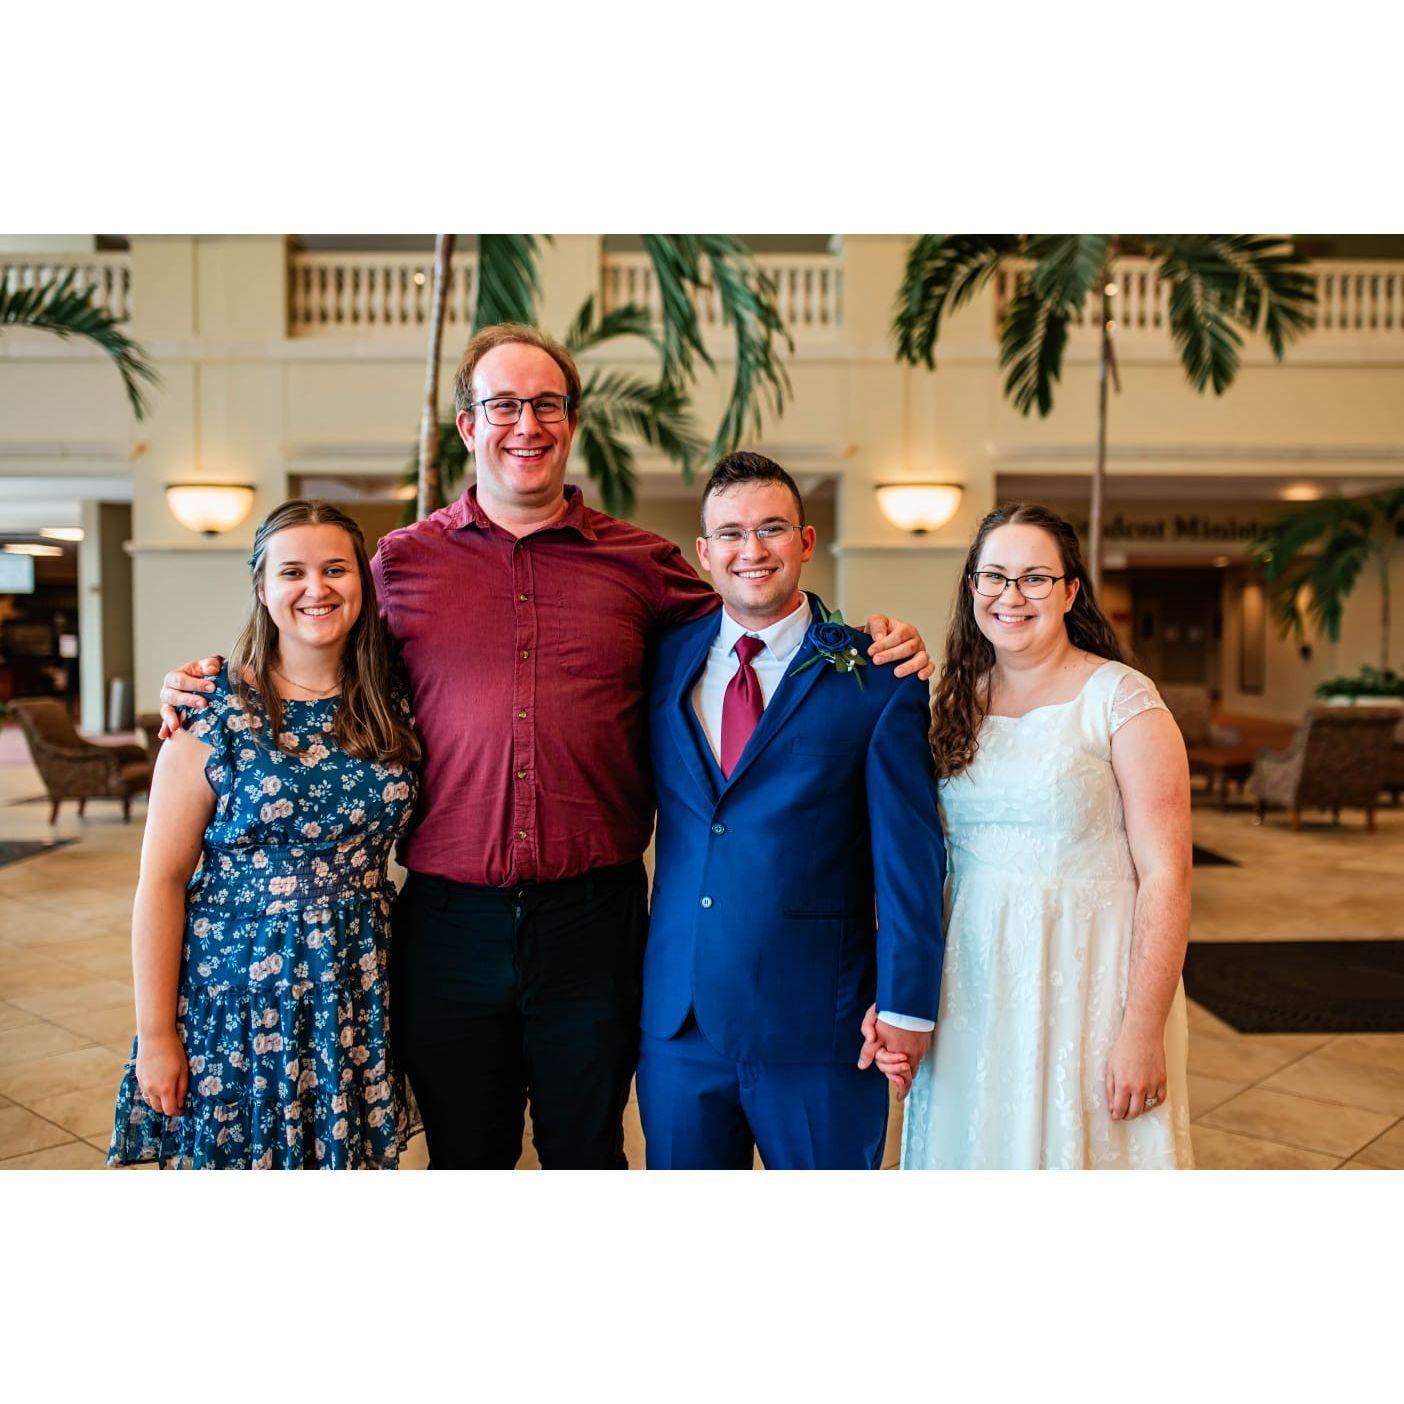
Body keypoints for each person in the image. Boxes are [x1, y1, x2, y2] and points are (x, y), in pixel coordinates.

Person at [157, 323, 933, 1170]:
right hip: (449, 924)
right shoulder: (400, 565)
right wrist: (206, 683)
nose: (526, 424)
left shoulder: (644, 566)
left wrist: (865, 639)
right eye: (503, 406)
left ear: (570, 422)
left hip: (591, 921)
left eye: (546, 405)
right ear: (468, 424)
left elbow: (755, 612)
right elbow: (314, 638)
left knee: (587, 1153)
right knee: (467, 1157)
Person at [637, 452, 945, 1169]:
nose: (753, 550)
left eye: (772, 529)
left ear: (805, 543)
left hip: (819, 1027)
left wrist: (905, 1004)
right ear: (705, 553)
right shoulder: (662, 662)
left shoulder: (879, 675)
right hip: (680, 1025)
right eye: (733, 534)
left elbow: (910, 857)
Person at [878, 503, 1195, 1169]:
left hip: (1089, 985)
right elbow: (928, 864)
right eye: (993, 576)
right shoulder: (954, 703)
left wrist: (1142, 1029)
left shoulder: (1121, 699)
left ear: (1071, 590)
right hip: (971, 986)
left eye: (1035, 578)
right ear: (971, 589)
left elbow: (1167, 875)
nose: (1011, 596)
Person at [110, 500, 421, 1169]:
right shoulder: (212, 714)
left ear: (362, 585)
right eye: (293, 572)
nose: (317, 588)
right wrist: (156, 1034)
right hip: (239, 995)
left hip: (356, 985)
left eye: (336, 569)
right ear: (262, 588)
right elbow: (161, 882)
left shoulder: (394, 700)